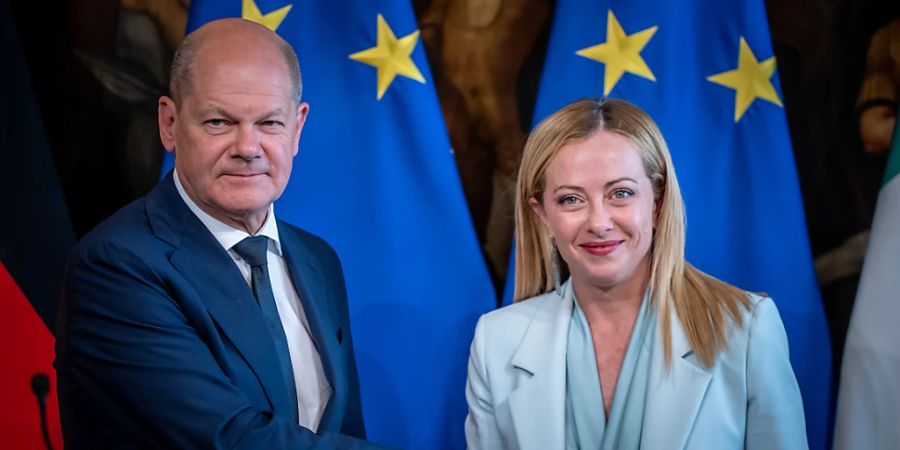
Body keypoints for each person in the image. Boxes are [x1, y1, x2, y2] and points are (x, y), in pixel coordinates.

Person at [55, 18, 389, 449]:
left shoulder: (317, 259)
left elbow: (344, 430)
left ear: (298, 128)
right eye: (218, 122)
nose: (248, 148)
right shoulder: (114, 267)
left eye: (270, 123)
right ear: (169, 123)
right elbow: (228, 439)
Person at [464, 98, 808, 450]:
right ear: (542, 215)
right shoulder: (497, 342)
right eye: (571, 200)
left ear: (657, 204)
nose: (598, 222)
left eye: (621, 193)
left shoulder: (744, 330)